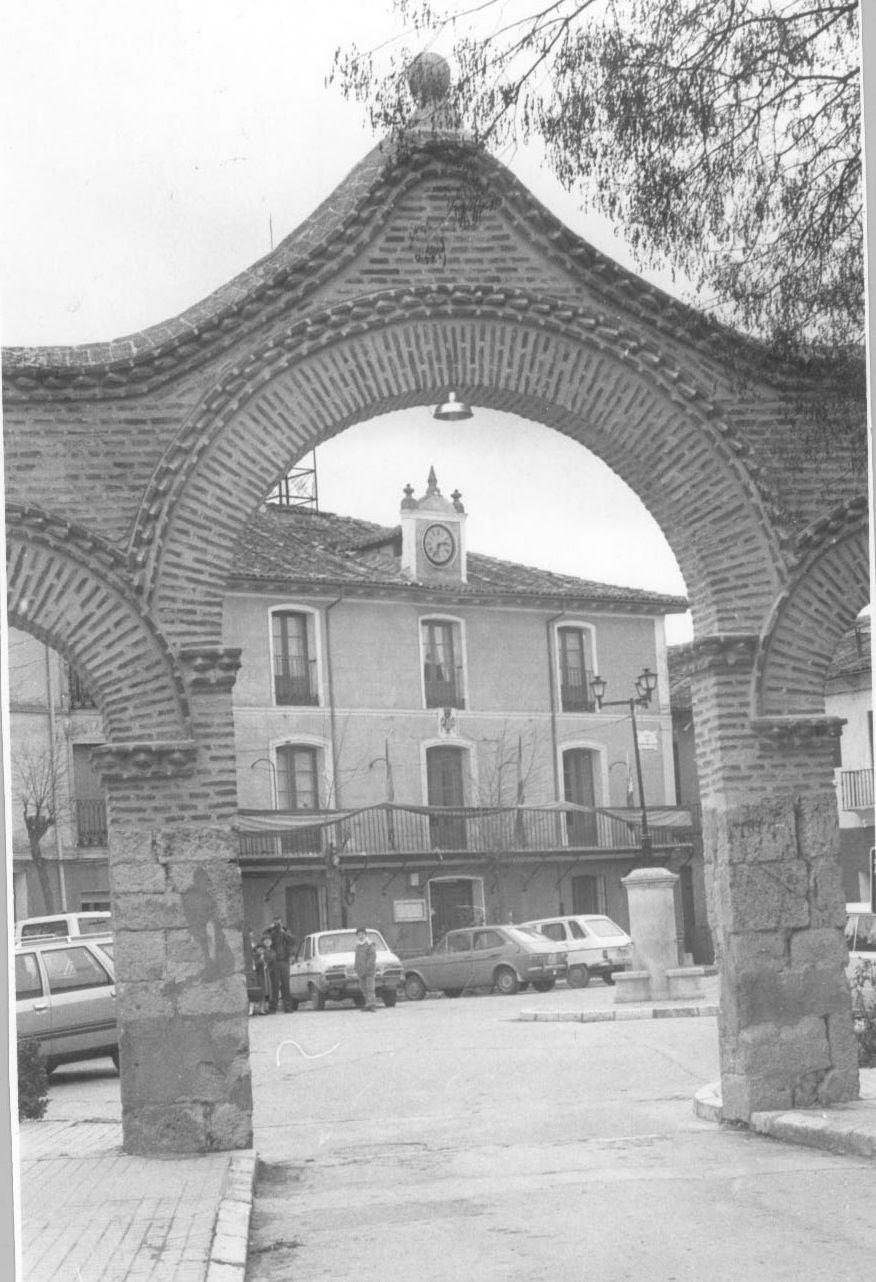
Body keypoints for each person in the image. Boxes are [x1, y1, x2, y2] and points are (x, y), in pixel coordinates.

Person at [268, 916, 297, 1013]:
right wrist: (272, 931)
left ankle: (288, 1008)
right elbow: (265, 942)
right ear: (273, 922)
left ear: (281, 922)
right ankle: (273, 1008)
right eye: (276, 922)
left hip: (284, 960)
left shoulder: (285, 930)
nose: (277, 924)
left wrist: (284, 932)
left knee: (286, 984)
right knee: (274, 984)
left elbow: (292, 941)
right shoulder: (269, 931)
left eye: (279, 922)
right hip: (274, 960)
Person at [353, 926, 378, 1012]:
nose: (361, 936)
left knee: (370, 988)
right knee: (363, 988)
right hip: (360, 971)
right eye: (359, 934)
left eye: (362, 934)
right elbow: (357, 958)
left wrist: (368, 967)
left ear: (365, 934)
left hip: (369, 971)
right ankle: (367, 1004)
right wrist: (356, 967)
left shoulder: (370, 944)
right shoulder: (357, 945)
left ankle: (372, 1005)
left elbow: (372, 956)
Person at [260, 933, 282, 1013]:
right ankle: (266, 1008)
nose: (267, 942)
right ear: (263, 942)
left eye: (269, 940)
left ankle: (273, 1008)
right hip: (266, 972)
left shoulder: (273, 951)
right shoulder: (262, 951)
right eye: (265, 940)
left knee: (275, 989)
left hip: (275, 972)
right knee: (267, 990)